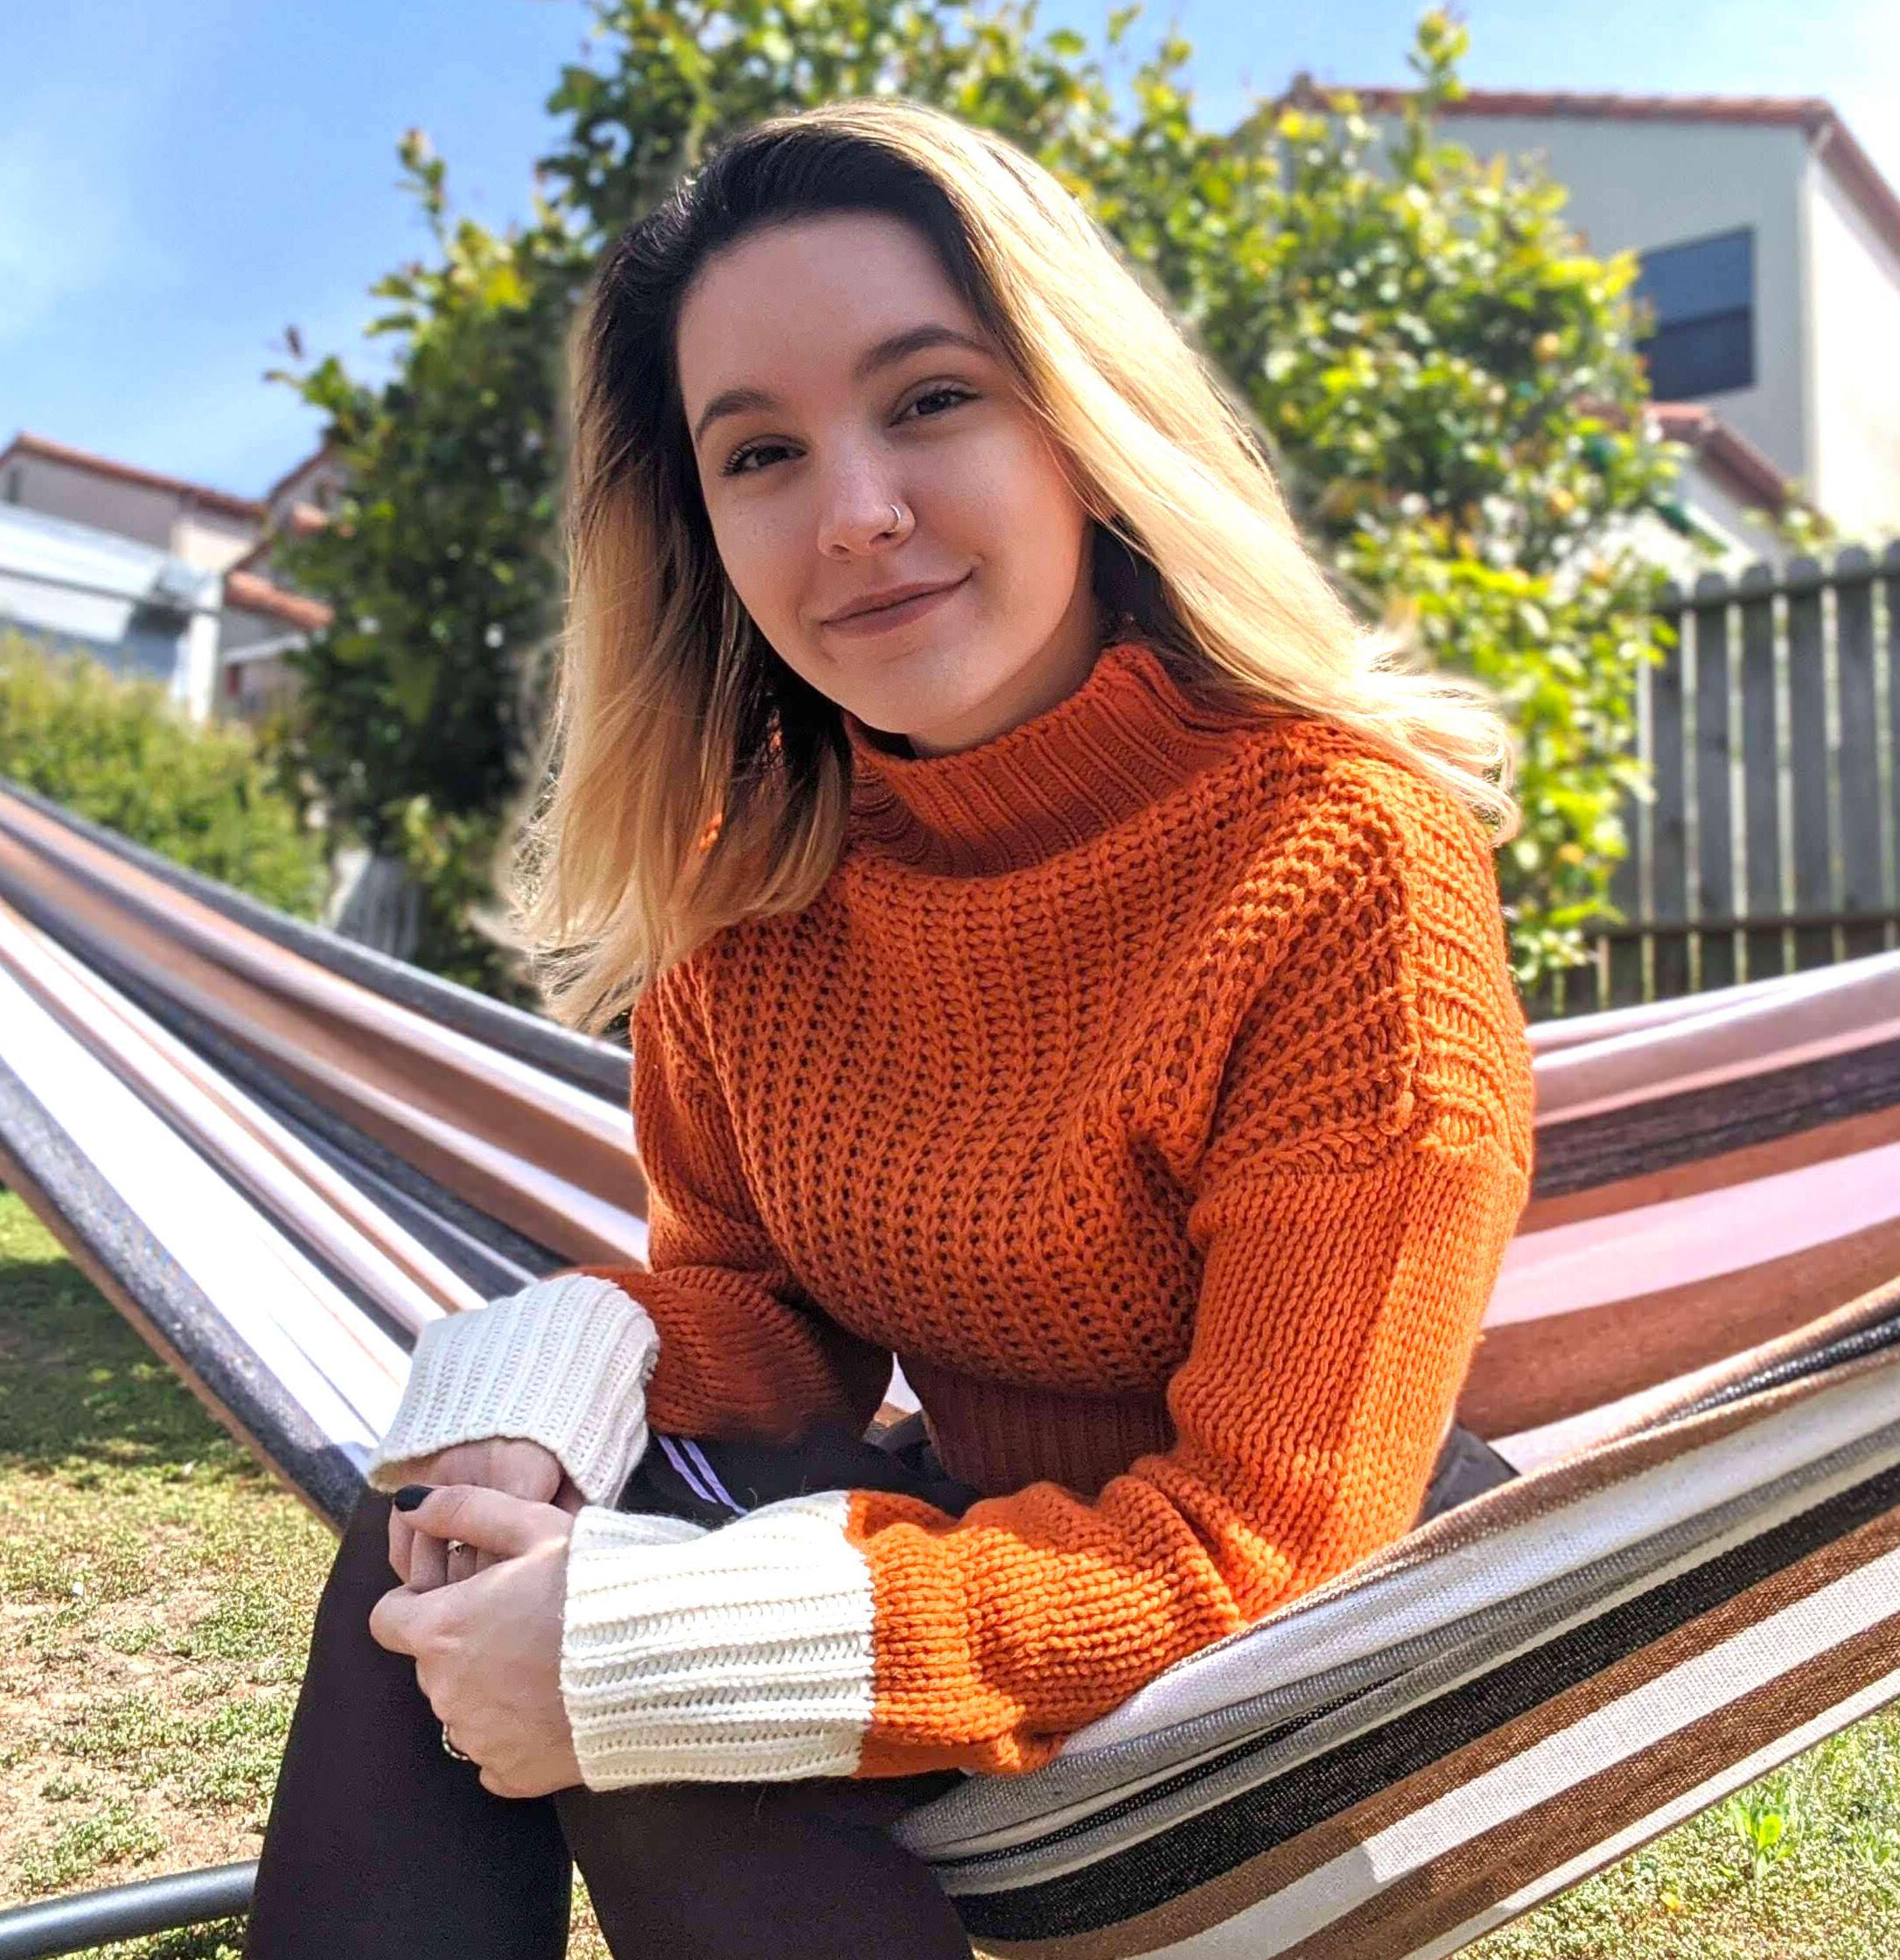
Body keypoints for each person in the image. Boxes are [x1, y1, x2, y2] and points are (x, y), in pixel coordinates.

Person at [243, 94, 1535, 1960]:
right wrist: (527, 1417)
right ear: (698, 525)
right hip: (980, 1561)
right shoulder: (755, 882)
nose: (852, 513)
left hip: (1278, 1657)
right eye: (758, 450)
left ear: (1083, 430)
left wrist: (638, 1643)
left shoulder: (1337, 868)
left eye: (929, 397)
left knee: (626, 1657)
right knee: (463, 1540)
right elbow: (766, 1322)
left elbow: (1264, 1546)